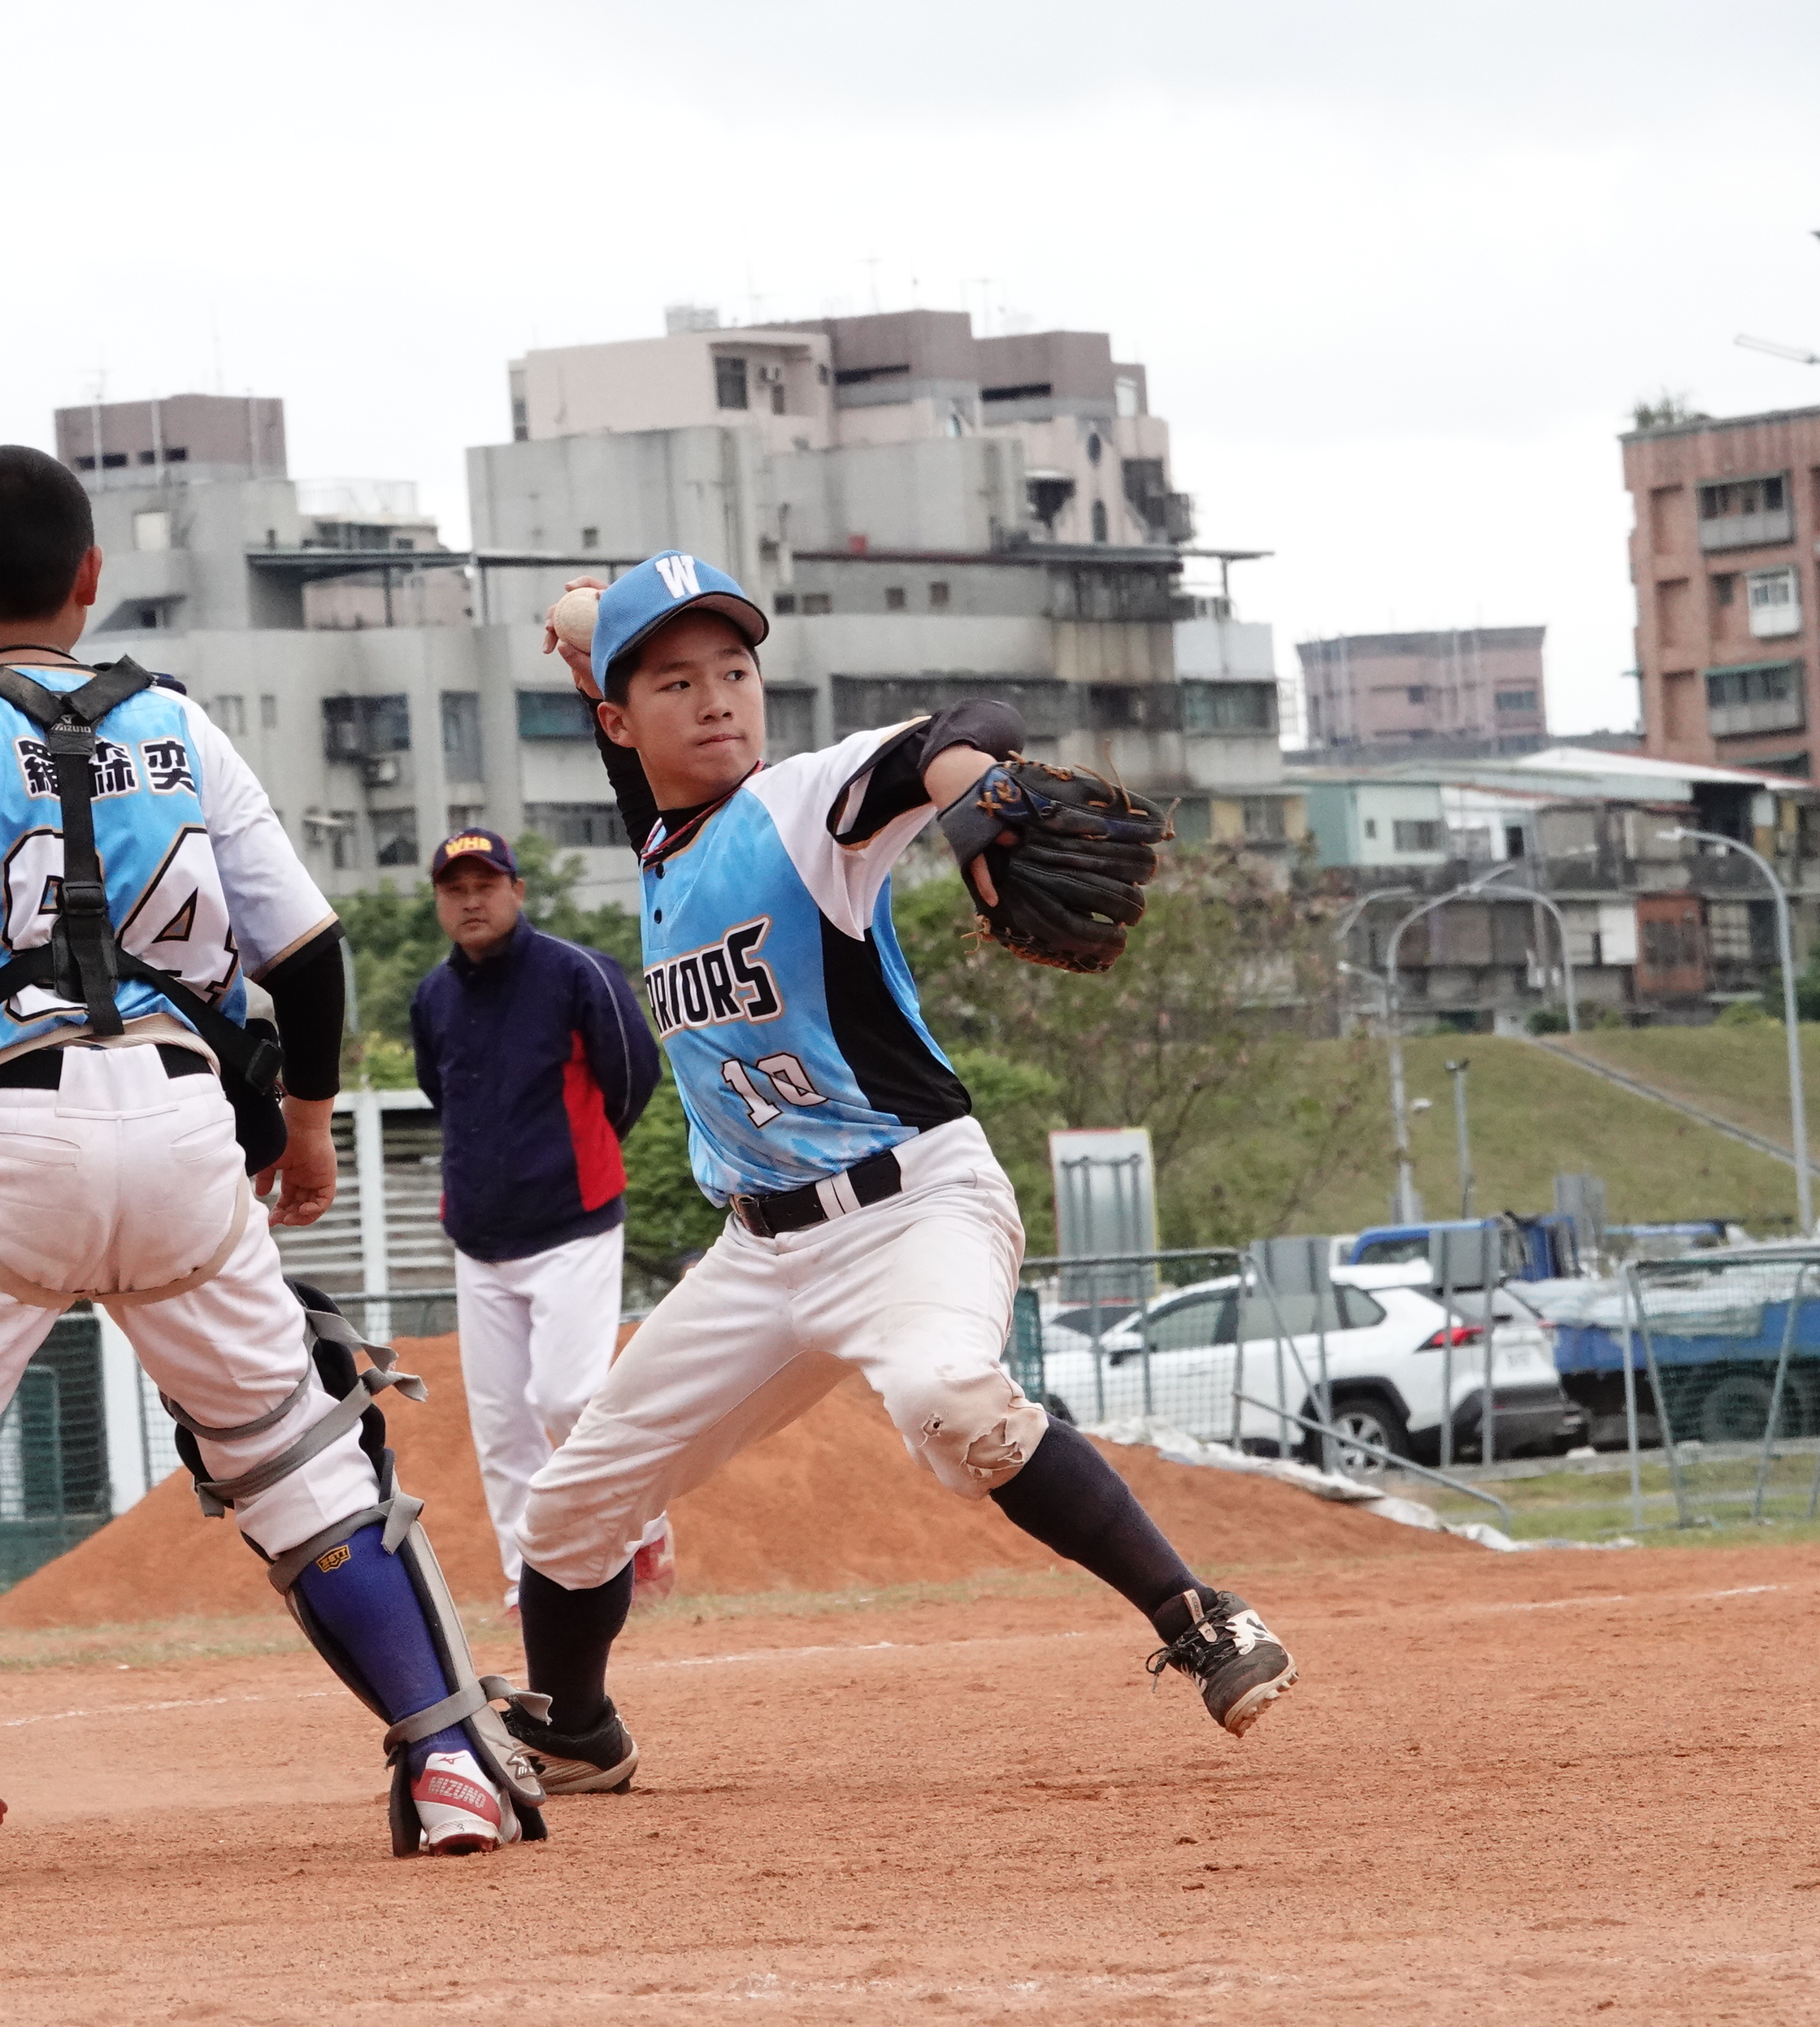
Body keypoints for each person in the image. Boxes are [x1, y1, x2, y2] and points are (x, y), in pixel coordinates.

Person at [0, 445, 544, 1890]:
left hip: (3, 1136)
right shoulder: (175, 722)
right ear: (91, 577)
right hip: (189, 1133)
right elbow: (309, 951)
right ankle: (452, 1758)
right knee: (294, 1450)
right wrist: (309, 1122)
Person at [494, 550, 1298, 1799]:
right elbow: (617, 711)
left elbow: (961, 726)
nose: (716, 700)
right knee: (569, 1508)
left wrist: (974, 797)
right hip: (761, 1253)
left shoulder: (805, 804)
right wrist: (581, 631)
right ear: (618, 724)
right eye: (676, 684)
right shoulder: (658, 840)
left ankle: (1200, 1616)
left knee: (945, 1396)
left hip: (914, 1205)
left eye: (736, 671)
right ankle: (579, 1732)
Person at [408, 826, 671, 1610]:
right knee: (502, 1426)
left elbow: (634, 1075)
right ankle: (530, 1576)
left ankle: (643, 1524)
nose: (471, 900)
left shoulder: (576, 972)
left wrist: (571, 1153)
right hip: (479, 1237)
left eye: (486, 885)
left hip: (572, 1223)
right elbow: (440, 1095)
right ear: (439, 903)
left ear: (517, 891)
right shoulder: (433, 996)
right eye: (455, 889)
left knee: (566, 1398)